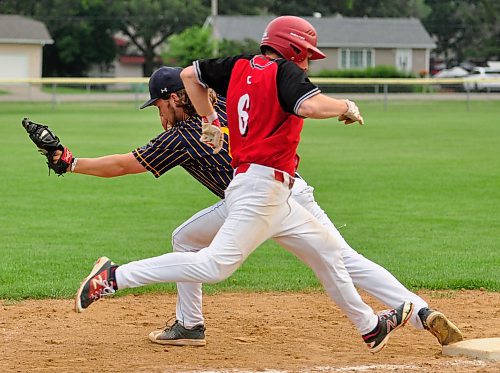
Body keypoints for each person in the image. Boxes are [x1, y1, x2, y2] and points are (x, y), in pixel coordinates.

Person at [73, 16, 461, 353]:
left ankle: (370, 327)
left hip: (275, 191)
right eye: (306, 53)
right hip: (261, 188)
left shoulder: (239, 66)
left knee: (328, 253)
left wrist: (209, 118)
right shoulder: (285, 72)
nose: (308, 62)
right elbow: (310, 105)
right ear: (290, 49)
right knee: (214, 264)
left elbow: (190, 75)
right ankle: (113, 278)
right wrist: (346, 105)